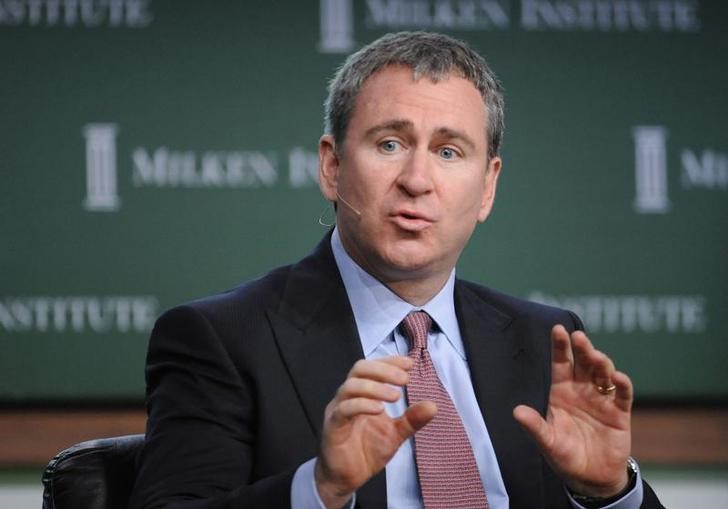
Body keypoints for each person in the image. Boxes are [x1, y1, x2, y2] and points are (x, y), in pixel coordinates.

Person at [129, 32, 664, 509]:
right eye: (390, 144)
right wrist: (319, 490)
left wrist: (609, 494)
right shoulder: (221, 339)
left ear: (487, 188)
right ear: (332, 166)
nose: (417, 179)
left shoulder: (546, 340)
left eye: (449, 151)